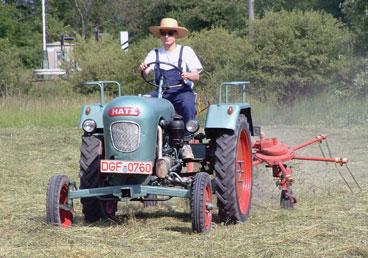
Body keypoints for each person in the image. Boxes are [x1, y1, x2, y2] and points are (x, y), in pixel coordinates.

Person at [139, 18, 203, 159]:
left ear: (176, 35)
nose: (167, 36)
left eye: (170, 33)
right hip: (160, 91)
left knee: (187, 103)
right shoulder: (154, 53)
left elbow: (196, 75)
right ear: (160, 36)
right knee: (142, 104)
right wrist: (143, 68)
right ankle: (144, 143)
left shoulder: (186, 51)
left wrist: (188, 75)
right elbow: (146, 70)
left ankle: (185, 143)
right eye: (163, 33)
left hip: (180, 90)